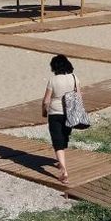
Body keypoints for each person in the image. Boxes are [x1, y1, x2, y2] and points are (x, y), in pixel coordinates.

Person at [42, 54, 80, 185]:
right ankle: (60, 163)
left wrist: (44, 112)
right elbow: (78, 96)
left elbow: (46, 101)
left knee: (57, 141)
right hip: (69, 113)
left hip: (55, 113)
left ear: (54, 67)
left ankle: (64, 172)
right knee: (64, 137)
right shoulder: (74, 78)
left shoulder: (53, 80)